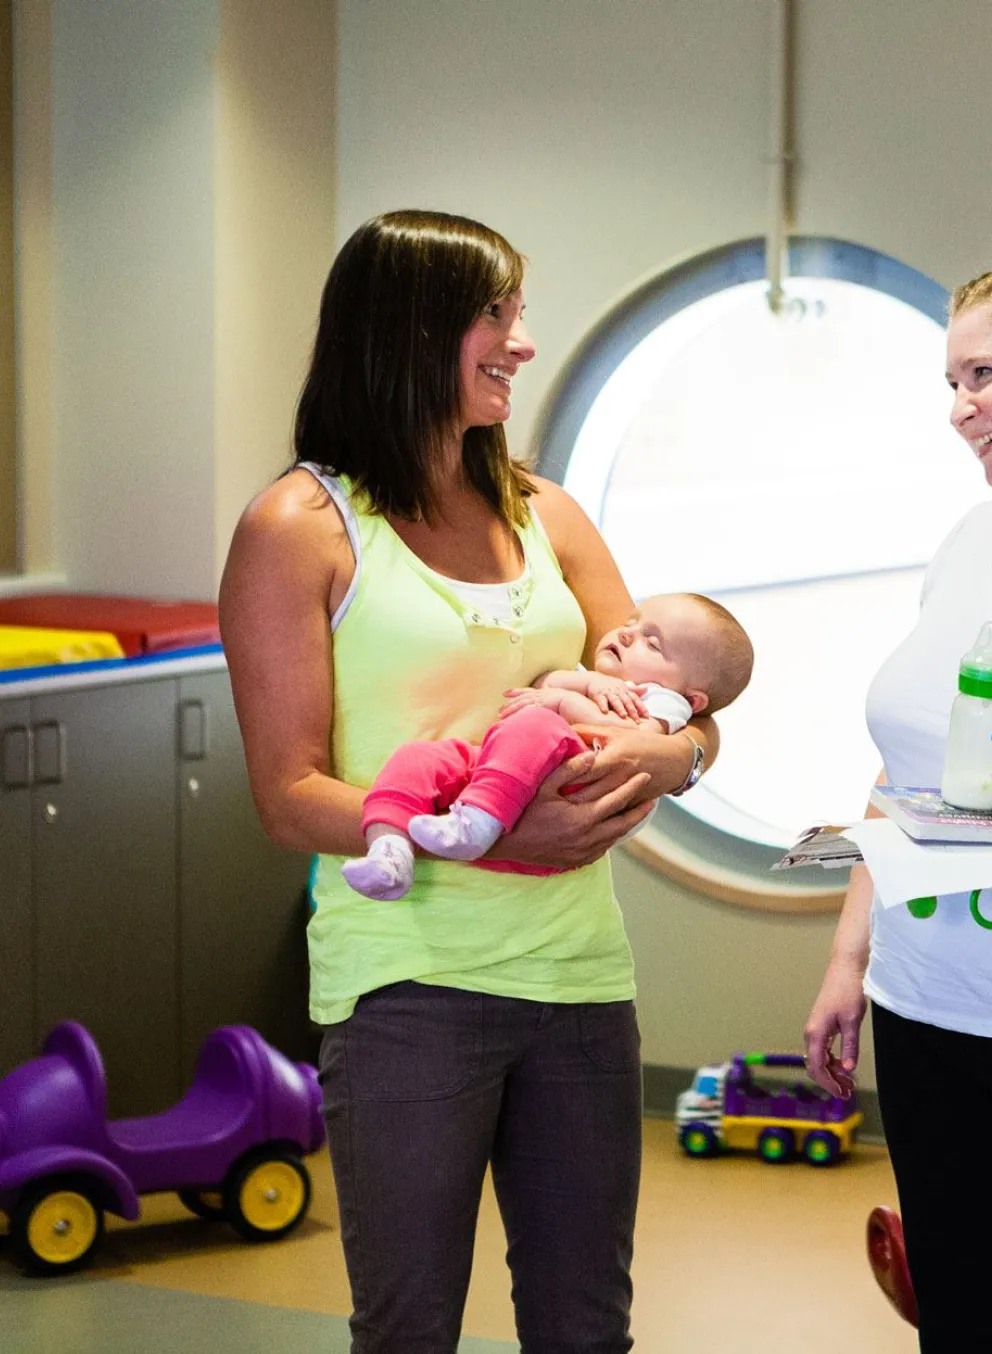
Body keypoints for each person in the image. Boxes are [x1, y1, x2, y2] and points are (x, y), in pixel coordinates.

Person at [219, 209, 719, 1354]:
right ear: (410, 329)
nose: (521, 343)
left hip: (579, 984)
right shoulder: (300, 526)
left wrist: (674, 754)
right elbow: (287, 792)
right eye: (495, 315)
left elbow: (681, 700)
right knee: (407, 1332)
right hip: (408, 993)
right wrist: (498, 835)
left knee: (585, 1326)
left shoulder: (546, 512)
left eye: (520, 313)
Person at [803, 270, 992, 1351]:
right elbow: (905, 768)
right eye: (953, 380)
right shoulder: (967, 540)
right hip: (926, 1006)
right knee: (957, 1313)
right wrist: (847, 960)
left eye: (986, 374)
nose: (961, 405)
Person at [341, 591, 752, 900]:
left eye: (652, 642)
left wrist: (567, 703)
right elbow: (545, 685)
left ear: (692, 697)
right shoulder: (599, 678)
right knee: (421, 757)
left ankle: (477, 825)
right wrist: (587, 683)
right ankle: (389, 848)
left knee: (537, 722)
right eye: (633, 620)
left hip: (569, 786)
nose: (627, 632)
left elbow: (636, 744)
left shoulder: (662, 700)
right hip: (503, 770)